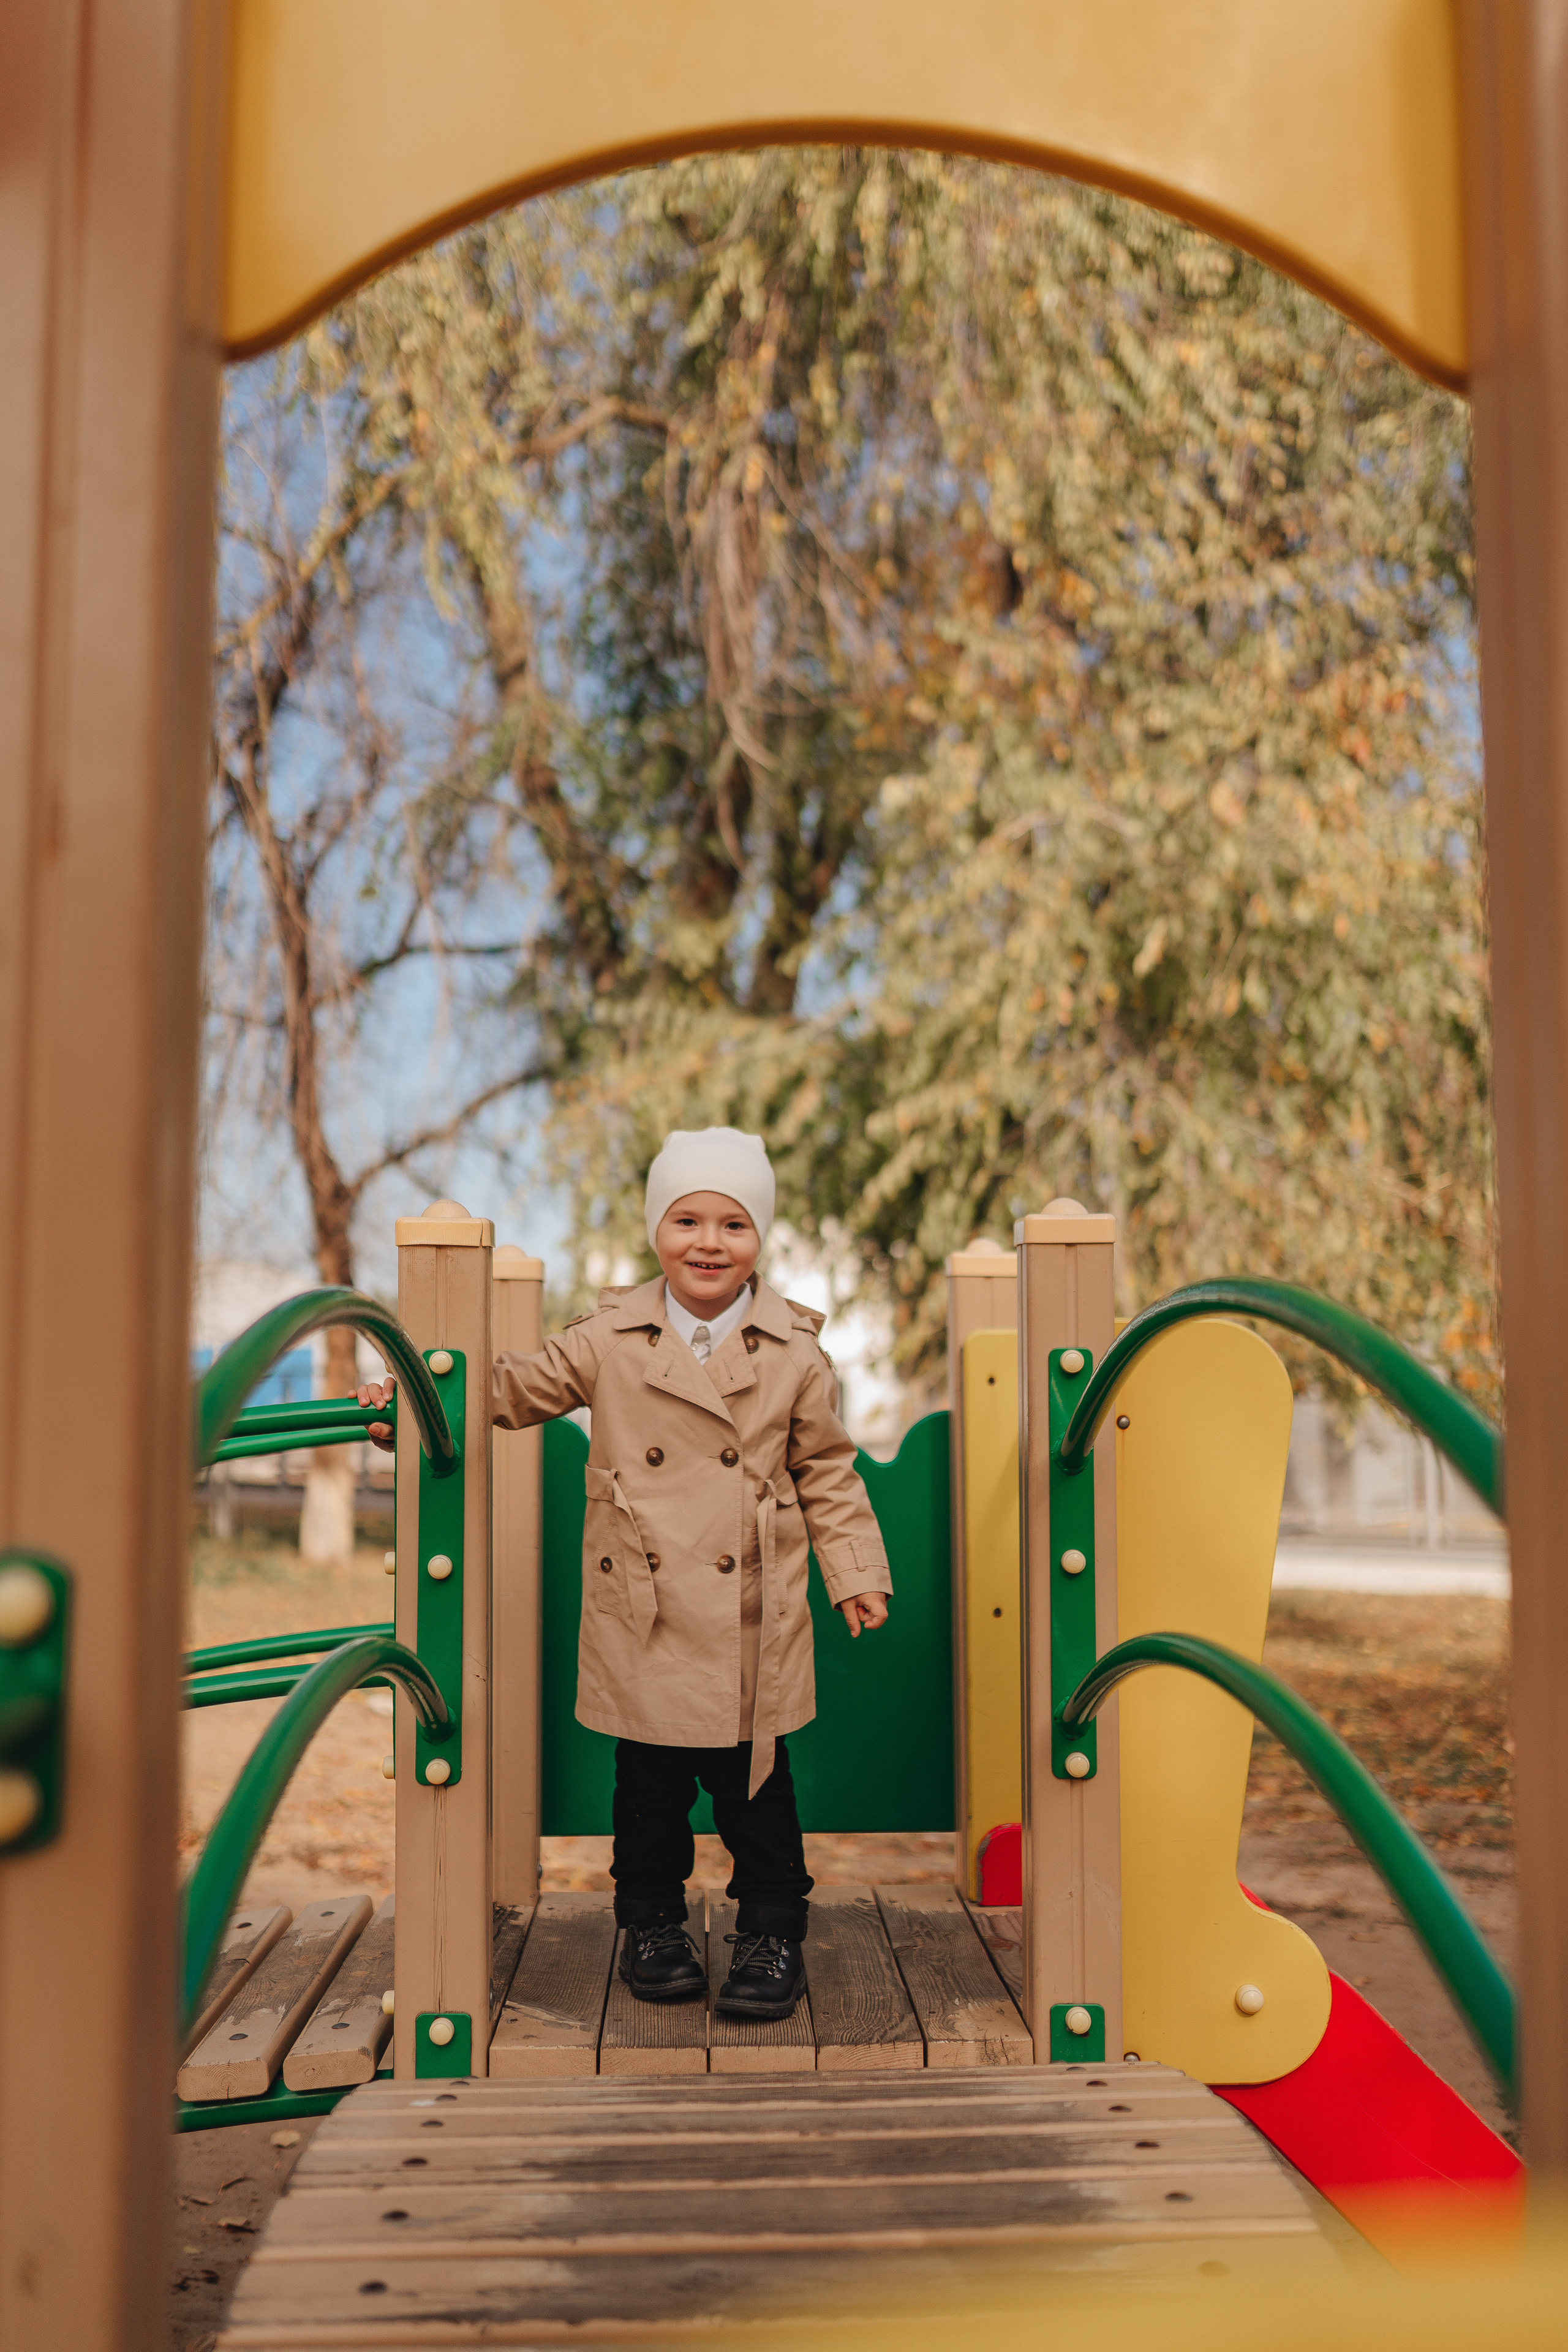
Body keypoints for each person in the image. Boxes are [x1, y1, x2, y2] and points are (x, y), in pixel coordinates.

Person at [360, 1127, 891, 2022]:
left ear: (760, 1237)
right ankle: (652, 1926)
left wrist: (854, 1570)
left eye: (734, 1224)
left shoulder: (794, 1352)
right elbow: (512, 1389)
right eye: (687, 1220)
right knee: (647, 1791)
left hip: (749, 1612)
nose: (709, 1243)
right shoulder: (610, 1338)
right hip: (643, 1607)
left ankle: (771, 1932)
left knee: (757, 1792)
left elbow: (827, 1471)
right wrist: (413, 1397)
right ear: (657, 1231)